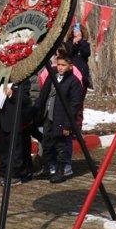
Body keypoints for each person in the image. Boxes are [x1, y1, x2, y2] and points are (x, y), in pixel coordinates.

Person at [36, 51, 83, 184]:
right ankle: (46, 167)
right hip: (49, 116)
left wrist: (68, 124)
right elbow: (43, 96)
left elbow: (74, 106)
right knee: (47, 142)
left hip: (61, 118)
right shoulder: (52, 76)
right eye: (59, 64)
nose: (60, 67)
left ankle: (61, 171)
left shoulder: (73, 82)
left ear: (70, 66)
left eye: (63, 65)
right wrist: (37, 113)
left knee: (60, 145)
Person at [0, 78, 33, 184]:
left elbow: (26, 99)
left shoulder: (22, 81)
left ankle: (15, 174)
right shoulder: (0, 80)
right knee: (3, 148)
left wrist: (12, 94)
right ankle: (3, 172)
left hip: (14, 119)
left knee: (15, 149)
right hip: (2, 119)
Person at [68, 22, 92, 90]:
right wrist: (73, 43)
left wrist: (80, 41)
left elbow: (86, 53)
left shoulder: (85, 44)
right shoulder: (69, 43)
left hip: (82, 73)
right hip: (70, 72)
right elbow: (68, 52)